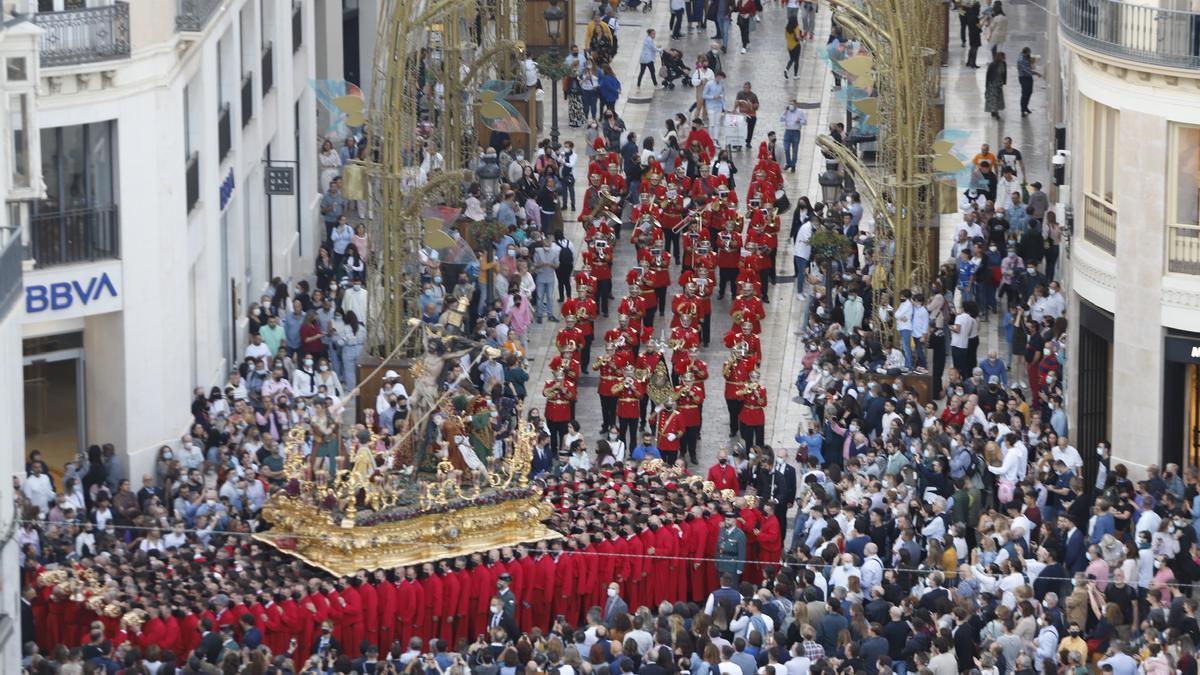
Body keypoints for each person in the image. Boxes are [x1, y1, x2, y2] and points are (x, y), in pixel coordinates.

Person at [1016, 47, 1041, 116]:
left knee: (1029, 92)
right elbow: (1027, 70)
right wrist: (1036, 73)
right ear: (1026, 52)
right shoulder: (1022, 60)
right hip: (1024, 77)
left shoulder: (1024, 56)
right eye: (1029, 53)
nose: (1029, 54)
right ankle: (1022, 110)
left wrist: (1032, 61)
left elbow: (1029, 66)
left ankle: (1025, 107)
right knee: (1025, 94)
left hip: (1028, 77)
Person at [985, 52, 1007, 119]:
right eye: (1003, 57)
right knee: (994, 98)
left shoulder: (1004, 64)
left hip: (999, 83)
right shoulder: (992, 65)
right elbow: (988, 75)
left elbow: (1004, 73)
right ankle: (995, 112)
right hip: (993, 83)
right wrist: (987, 85)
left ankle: (994, 111)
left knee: (998, 98)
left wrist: (1004, 82)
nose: (1004, 58)